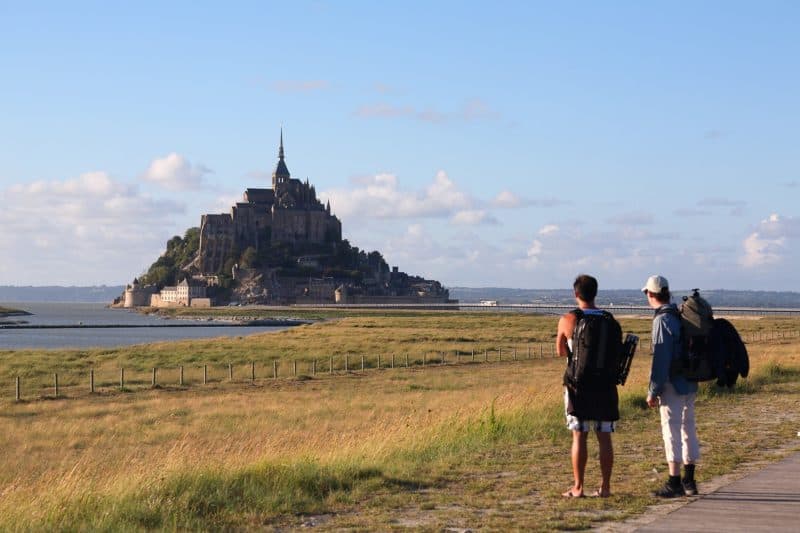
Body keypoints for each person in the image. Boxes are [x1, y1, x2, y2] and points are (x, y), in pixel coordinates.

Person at [557, 274, 620, 498]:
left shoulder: (568, 319)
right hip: (605, 386)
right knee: (604, 437)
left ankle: (578, 487)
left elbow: (561, 351)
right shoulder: (609, 319)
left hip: (578, 386)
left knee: (579, 435)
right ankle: (605, 487)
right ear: (595, 293)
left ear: (576, 294)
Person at [643, 275, 700, 497]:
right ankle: (689, 480)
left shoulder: (662, 320)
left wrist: (652, 391)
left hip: (672, 384)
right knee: (688, 428)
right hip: (690, 380)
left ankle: (674, 481)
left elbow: (661, 360)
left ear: (650, 294)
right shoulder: (680, 314)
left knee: (671, 430)